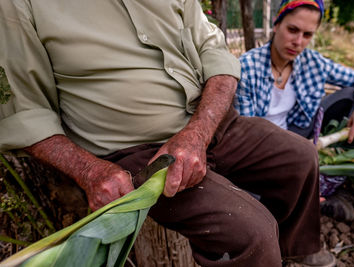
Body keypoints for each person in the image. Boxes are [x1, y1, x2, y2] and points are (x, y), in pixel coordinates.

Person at [0, 1, 334, 266]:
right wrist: (89, 170)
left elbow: (215, 52)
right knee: (252, 233)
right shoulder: (22, 5)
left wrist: (198, 132)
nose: (298, 41)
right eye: (293, 30)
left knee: (300, 157)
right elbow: (25, 111)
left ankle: (295, 251)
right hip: (137, 151)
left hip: (210, 120)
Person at [234, 0, 354, 222]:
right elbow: (248, 135)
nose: (298, 42)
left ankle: (324, 189)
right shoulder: (247, 67)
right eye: (292, 30)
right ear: (276, 24)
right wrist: (295, 155)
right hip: (259, 148)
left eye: (307, 35)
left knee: (351, 96)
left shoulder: (312, 62)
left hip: (297, 134)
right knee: (255, 198)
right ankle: (315, 198)